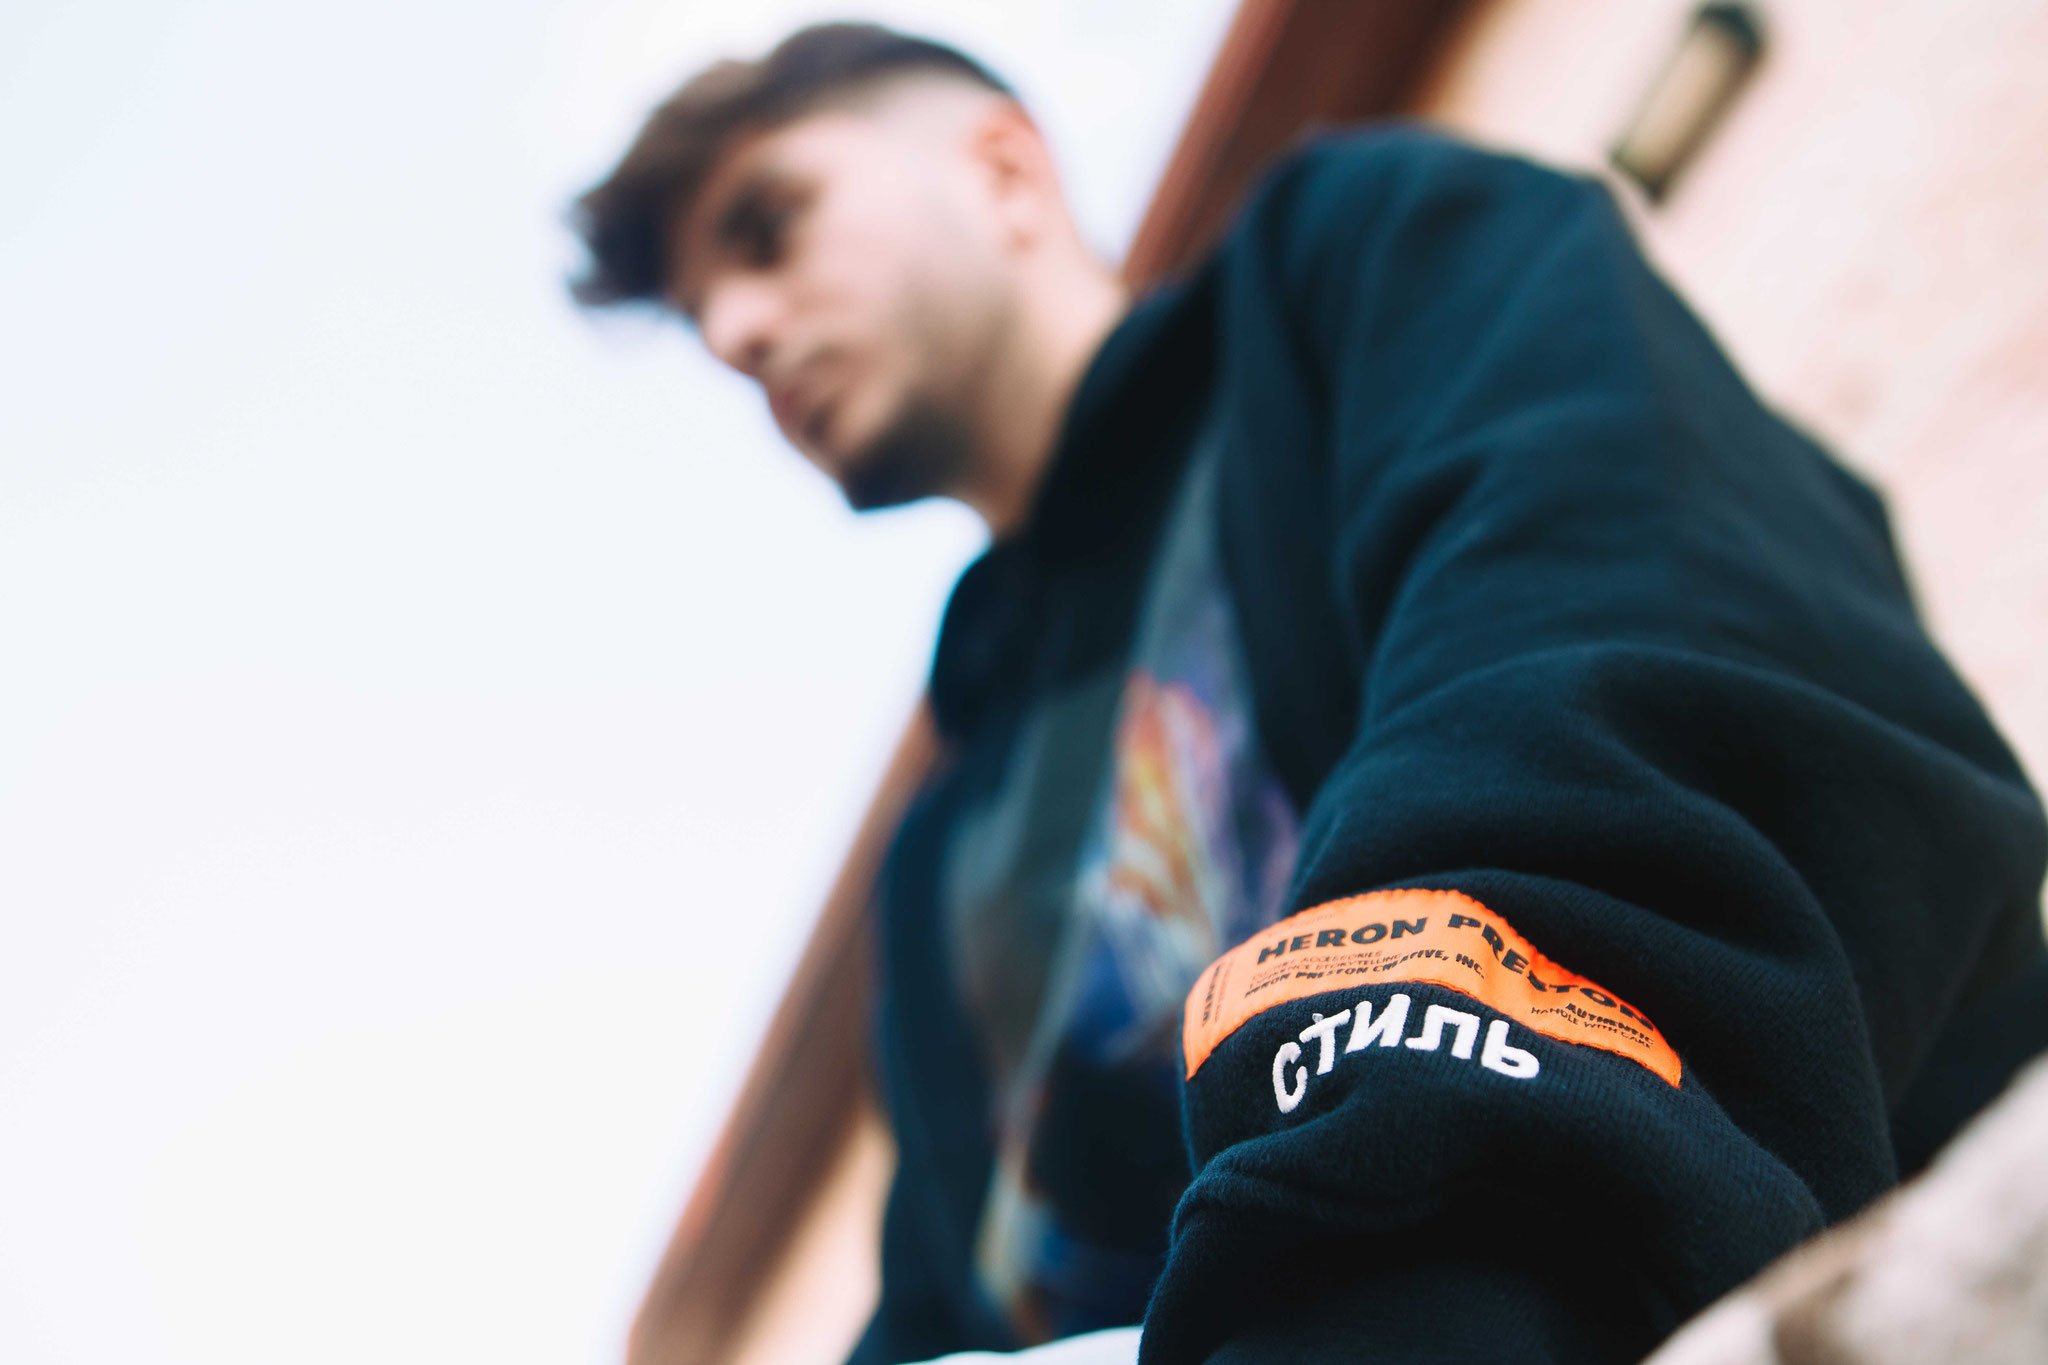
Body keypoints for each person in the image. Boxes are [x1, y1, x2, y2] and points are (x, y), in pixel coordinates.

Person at [568, 22, 2048, 1365]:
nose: (739, 330)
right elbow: (944, 1299)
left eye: (769, 228)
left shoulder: (1363, 261)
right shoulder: (942, 858)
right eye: (704, 316)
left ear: (1005, 170)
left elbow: (1643, 651)